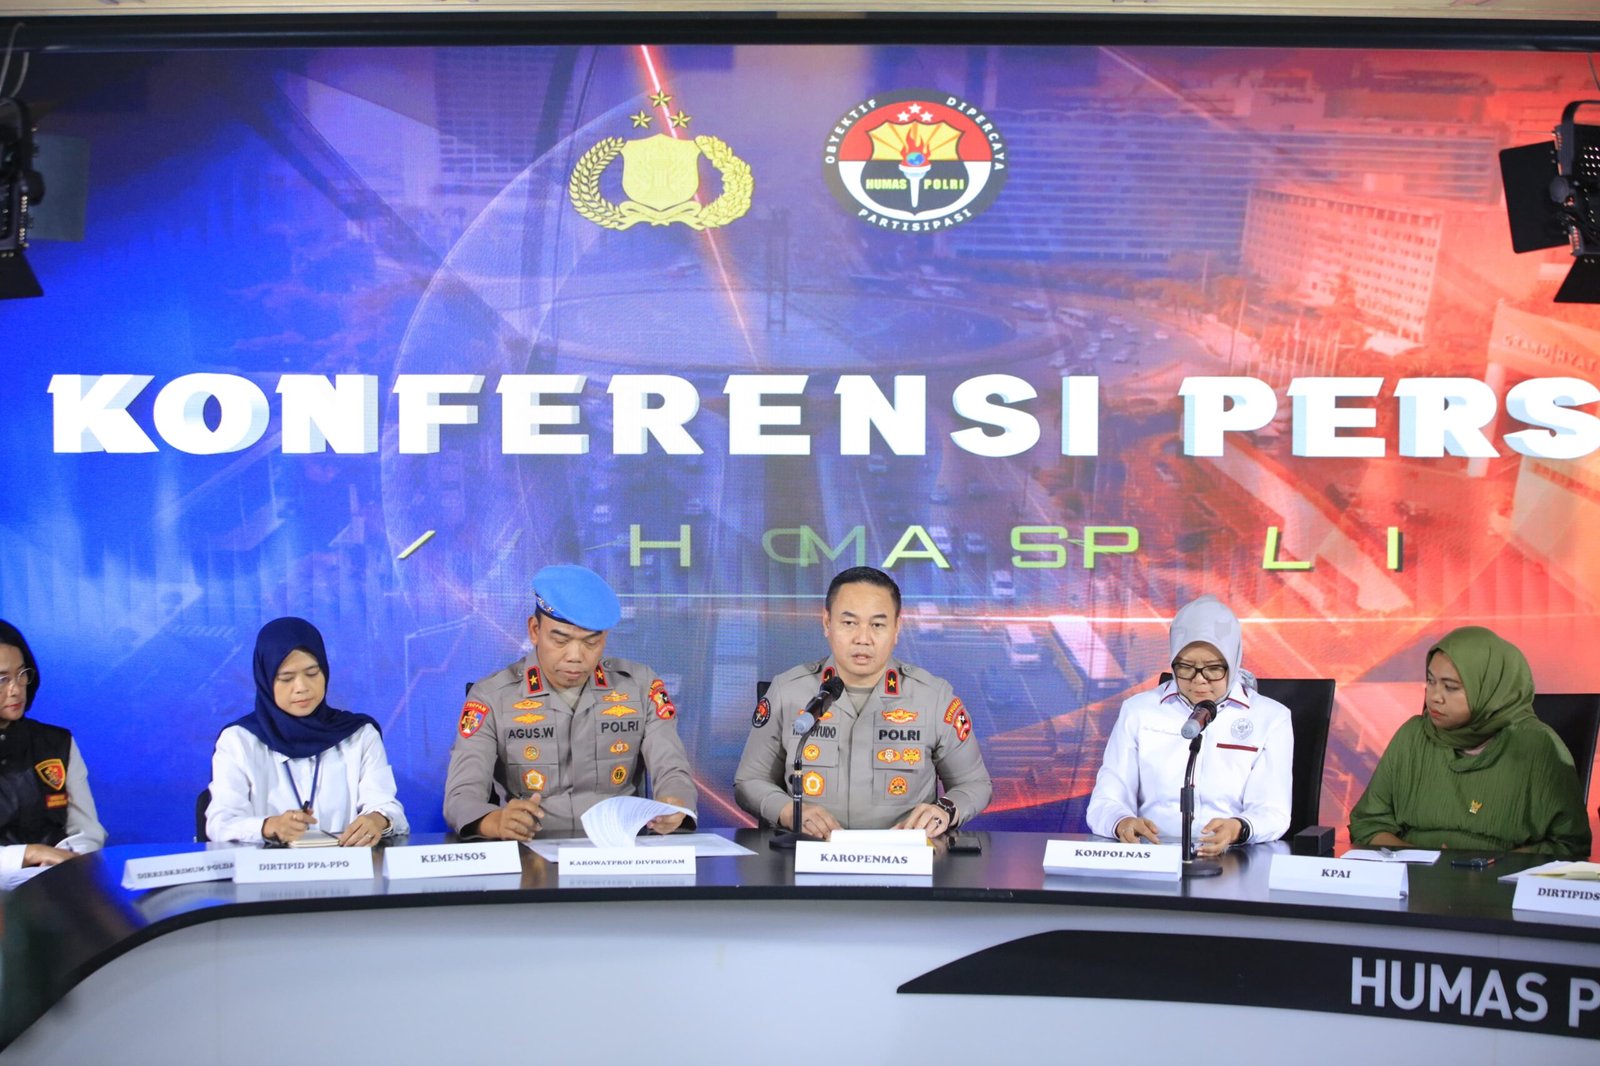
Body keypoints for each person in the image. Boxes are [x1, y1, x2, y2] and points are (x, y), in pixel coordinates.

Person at [734, 566, 991, 839]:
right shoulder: (788, 692)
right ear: (827, 623)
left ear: (896, 628)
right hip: (808, 854)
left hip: (903, 856)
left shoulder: (934, 698)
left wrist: (944, 810)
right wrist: (788, 811)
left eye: (877, 625)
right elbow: (749, 781)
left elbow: (975, 784)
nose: (863, 639)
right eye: (849, 623)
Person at [444, 564, 697, 840]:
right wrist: (495, 822)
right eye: (561, 640)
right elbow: (461, 795)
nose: (576, 656)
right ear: (534, 630)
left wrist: (675, 805)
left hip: (620, 852)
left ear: (605, 638)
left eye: (591, 642)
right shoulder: (492, 697)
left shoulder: (640, 687)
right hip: (531, 852)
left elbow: (672, 769)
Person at [1349, 626, 1590, 857]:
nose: (1434, 697)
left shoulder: (1538, 747)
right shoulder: (1413, 736)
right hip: (1411, 877)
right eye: (1431, 681)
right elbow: (1368, 823)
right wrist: (1422, 861)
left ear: (1489, 690)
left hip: (1501, 882)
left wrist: (1487, 869)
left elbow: (1569, 845)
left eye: (1450, 687)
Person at [1086, 595, 1292, 857]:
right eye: (1185, 667)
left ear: (1233, 661)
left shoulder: (1271, 717)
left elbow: (1274, 811)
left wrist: (1238, 828)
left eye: (1213, 668)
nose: (1199, 680)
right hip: (1150, 856)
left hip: (1235, 856)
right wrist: (1121, 823)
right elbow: (1106, 800)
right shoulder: (1138, 711)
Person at [207, 617, 408, 846]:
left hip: (346, 865)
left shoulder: (359, 735)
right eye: (286, 678)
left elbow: (387, 806)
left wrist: (378, 820)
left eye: (312, 673)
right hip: (266, 867)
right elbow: (220, 823)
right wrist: (268, 826)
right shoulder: (238, 740)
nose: (302, 687)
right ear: (265, 680)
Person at [0, 620, 106, 872]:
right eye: (2, 679)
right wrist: (29, 854)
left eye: (22, 674)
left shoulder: (56, 743)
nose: (16, 689)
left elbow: (87, 831)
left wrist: (67, 861)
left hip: (55, 880)